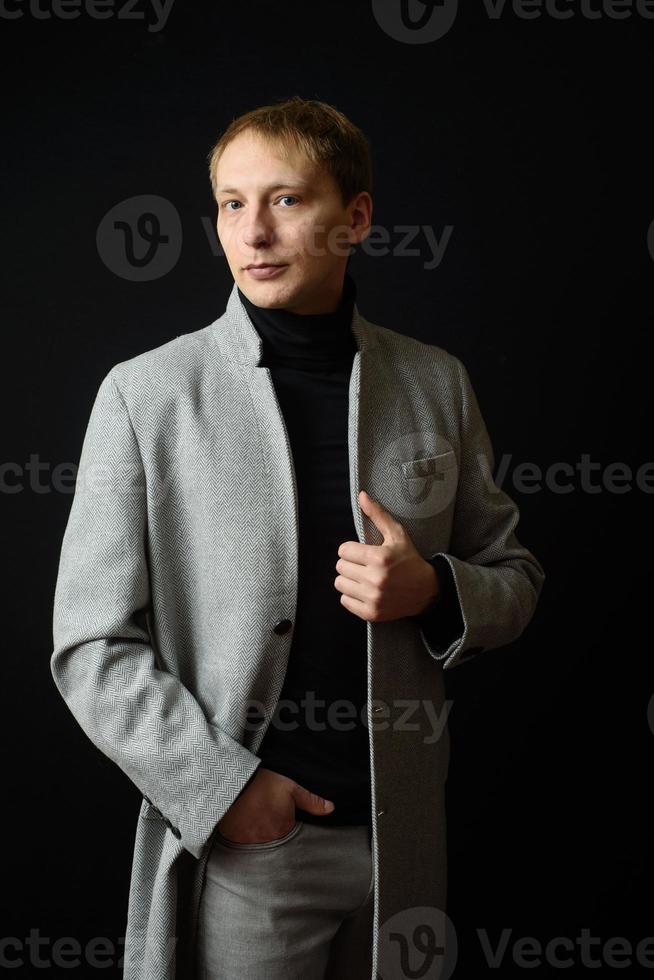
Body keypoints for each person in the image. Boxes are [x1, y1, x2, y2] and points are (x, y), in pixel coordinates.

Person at [51, 96, 545, 980]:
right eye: (233, 204)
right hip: (248, 852)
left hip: (406, 851)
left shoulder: (437, 382)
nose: (255, 232)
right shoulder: (146, 394)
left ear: (354, 217)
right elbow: (91, 643)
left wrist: (434, 590)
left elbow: (515, 575)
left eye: (286, 200)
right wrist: (225, 790)